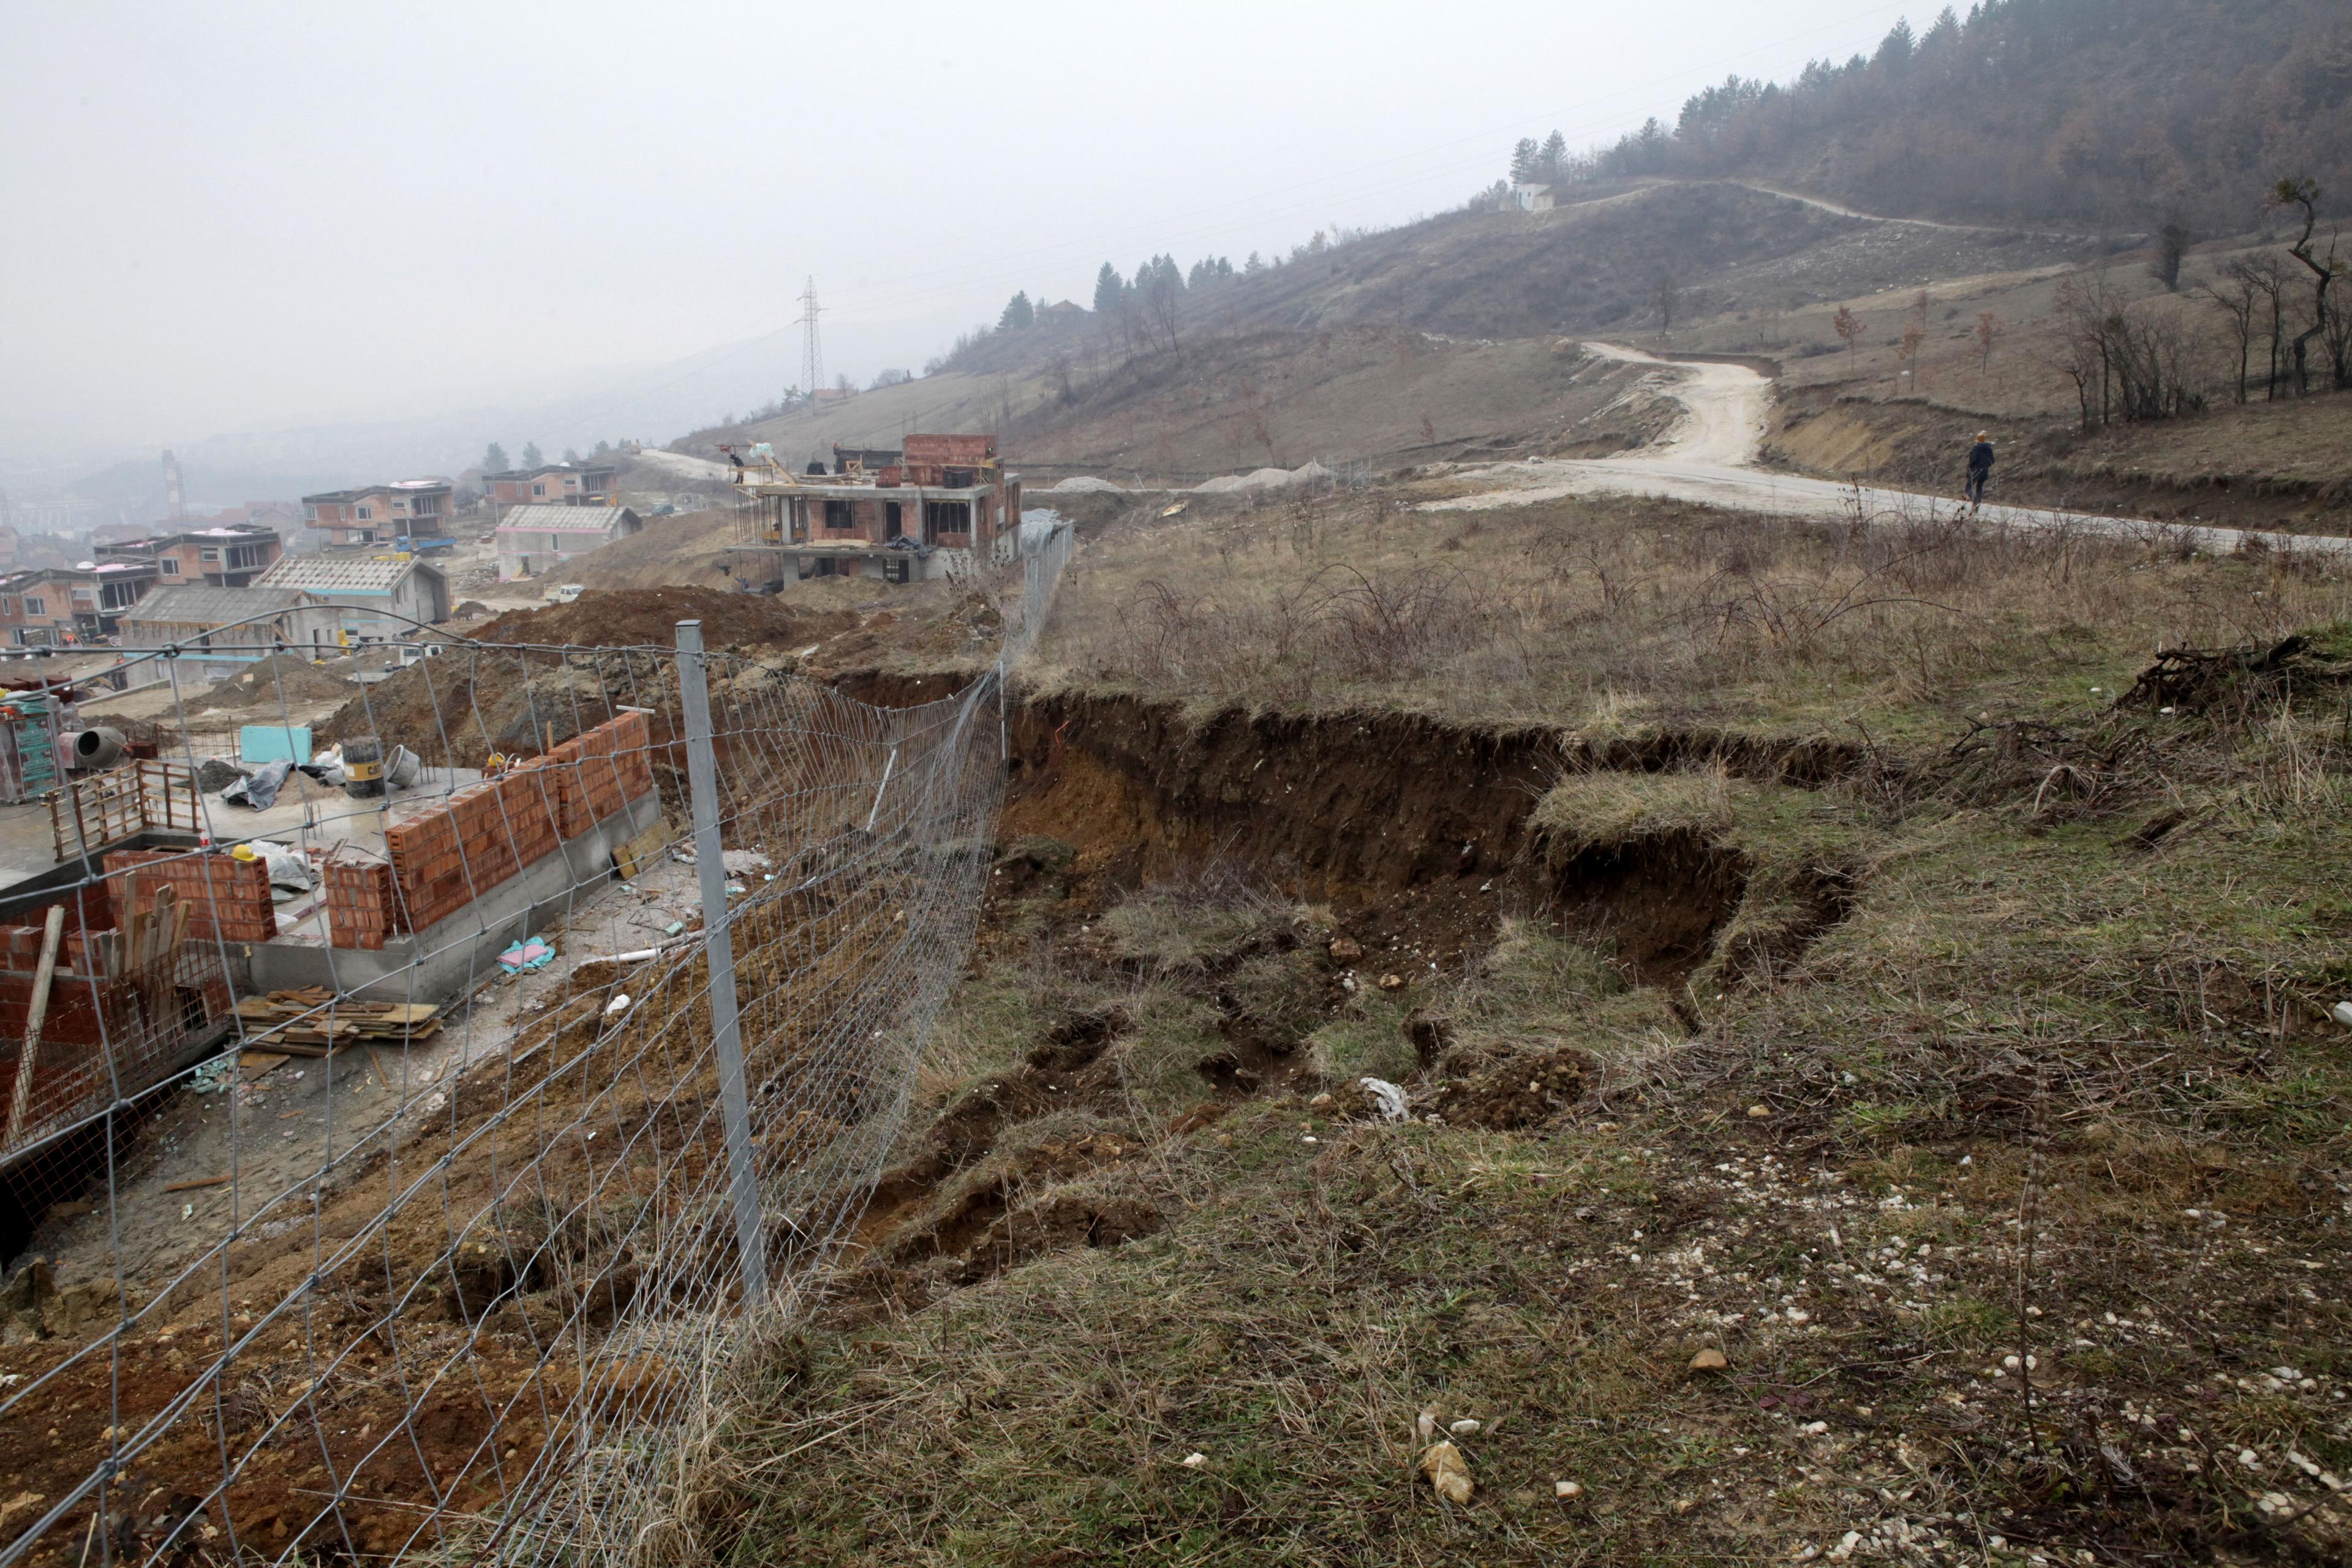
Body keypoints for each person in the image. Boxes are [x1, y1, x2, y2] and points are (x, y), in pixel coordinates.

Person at [1965, 432, 1995, 510]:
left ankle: (1974, 500)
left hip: (1975, 470)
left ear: (1977, 440)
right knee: (1979, 488)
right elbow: (1992, 460)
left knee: (1968, 487)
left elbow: (1974, 459)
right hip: (1985, 471)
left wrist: (1970, 467)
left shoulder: (1977, 448)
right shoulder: (1989, 449)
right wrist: (1985, 466)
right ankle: (1977, 506)